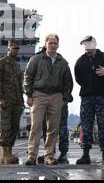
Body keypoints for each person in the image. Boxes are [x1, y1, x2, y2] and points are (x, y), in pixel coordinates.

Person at [24, 34, 73, 165]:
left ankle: (49, 156)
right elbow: (28, 76)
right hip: (38, 95)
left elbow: (68, 81)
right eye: (50, 43)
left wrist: (65, 98)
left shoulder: (63, 63)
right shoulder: (36, 59)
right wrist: (29, 95)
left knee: (53, 128)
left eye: (55, 43)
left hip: (56, 96)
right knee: (36, 126)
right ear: (45, 44)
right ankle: (32, 156)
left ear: (58, 45)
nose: (52, 45)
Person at [75, 36, 104, 165]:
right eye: (85, 45)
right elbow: (78, 78)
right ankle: (85, 154)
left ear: (94, 44)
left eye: (88, 44)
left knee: (103, 126)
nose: (87, 47)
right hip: (87, 97)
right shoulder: (80, 61)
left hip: (102, 97)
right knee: (86, 126)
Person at [0, 39, 24, 164]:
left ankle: (9, 151)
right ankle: (4, 153)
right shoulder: (1, 63)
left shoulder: (16, 65)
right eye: (14, 48)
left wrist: (22, 101)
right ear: (9, 48)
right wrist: (0, 99)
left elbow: (19, 84)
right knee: (5, 126)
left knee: (14, 127)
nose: (15, 50)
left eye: (17, 49)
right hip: (5, 101)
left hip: (16, 101)